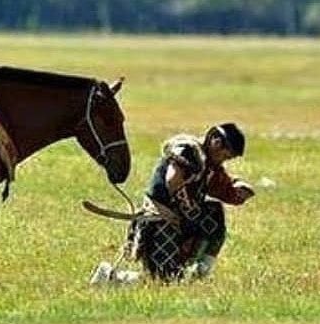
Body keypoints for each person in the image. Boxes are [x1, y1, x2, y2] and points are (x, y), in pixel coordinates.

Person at [90, 122, 255, 285]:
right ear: (215, 142)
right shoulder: (188, 151)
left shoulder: (209, 165)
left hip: (182, 222)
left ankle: (200, 270)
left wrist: (237, 190)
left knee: (214, 212)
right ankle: (111, 278)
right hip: (161, 220)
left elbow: (222, 188)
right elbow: (173, 180)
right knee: (163, 279)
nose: (223, 161)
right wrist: (188, 214)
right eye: (225, 156)